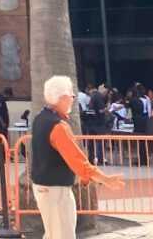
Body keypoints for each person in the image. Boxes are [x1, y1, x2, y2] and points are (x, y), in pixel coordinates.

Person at [29, 76, 123, 239]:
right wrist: (105, 179)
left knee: (53, 234)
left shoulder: (40, 118)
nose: (73, 99)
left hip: (45, 187)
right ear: (64, 98)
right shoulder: (58, 126)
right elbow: (79, 162)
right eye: (72, 95)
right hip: (55, 190)